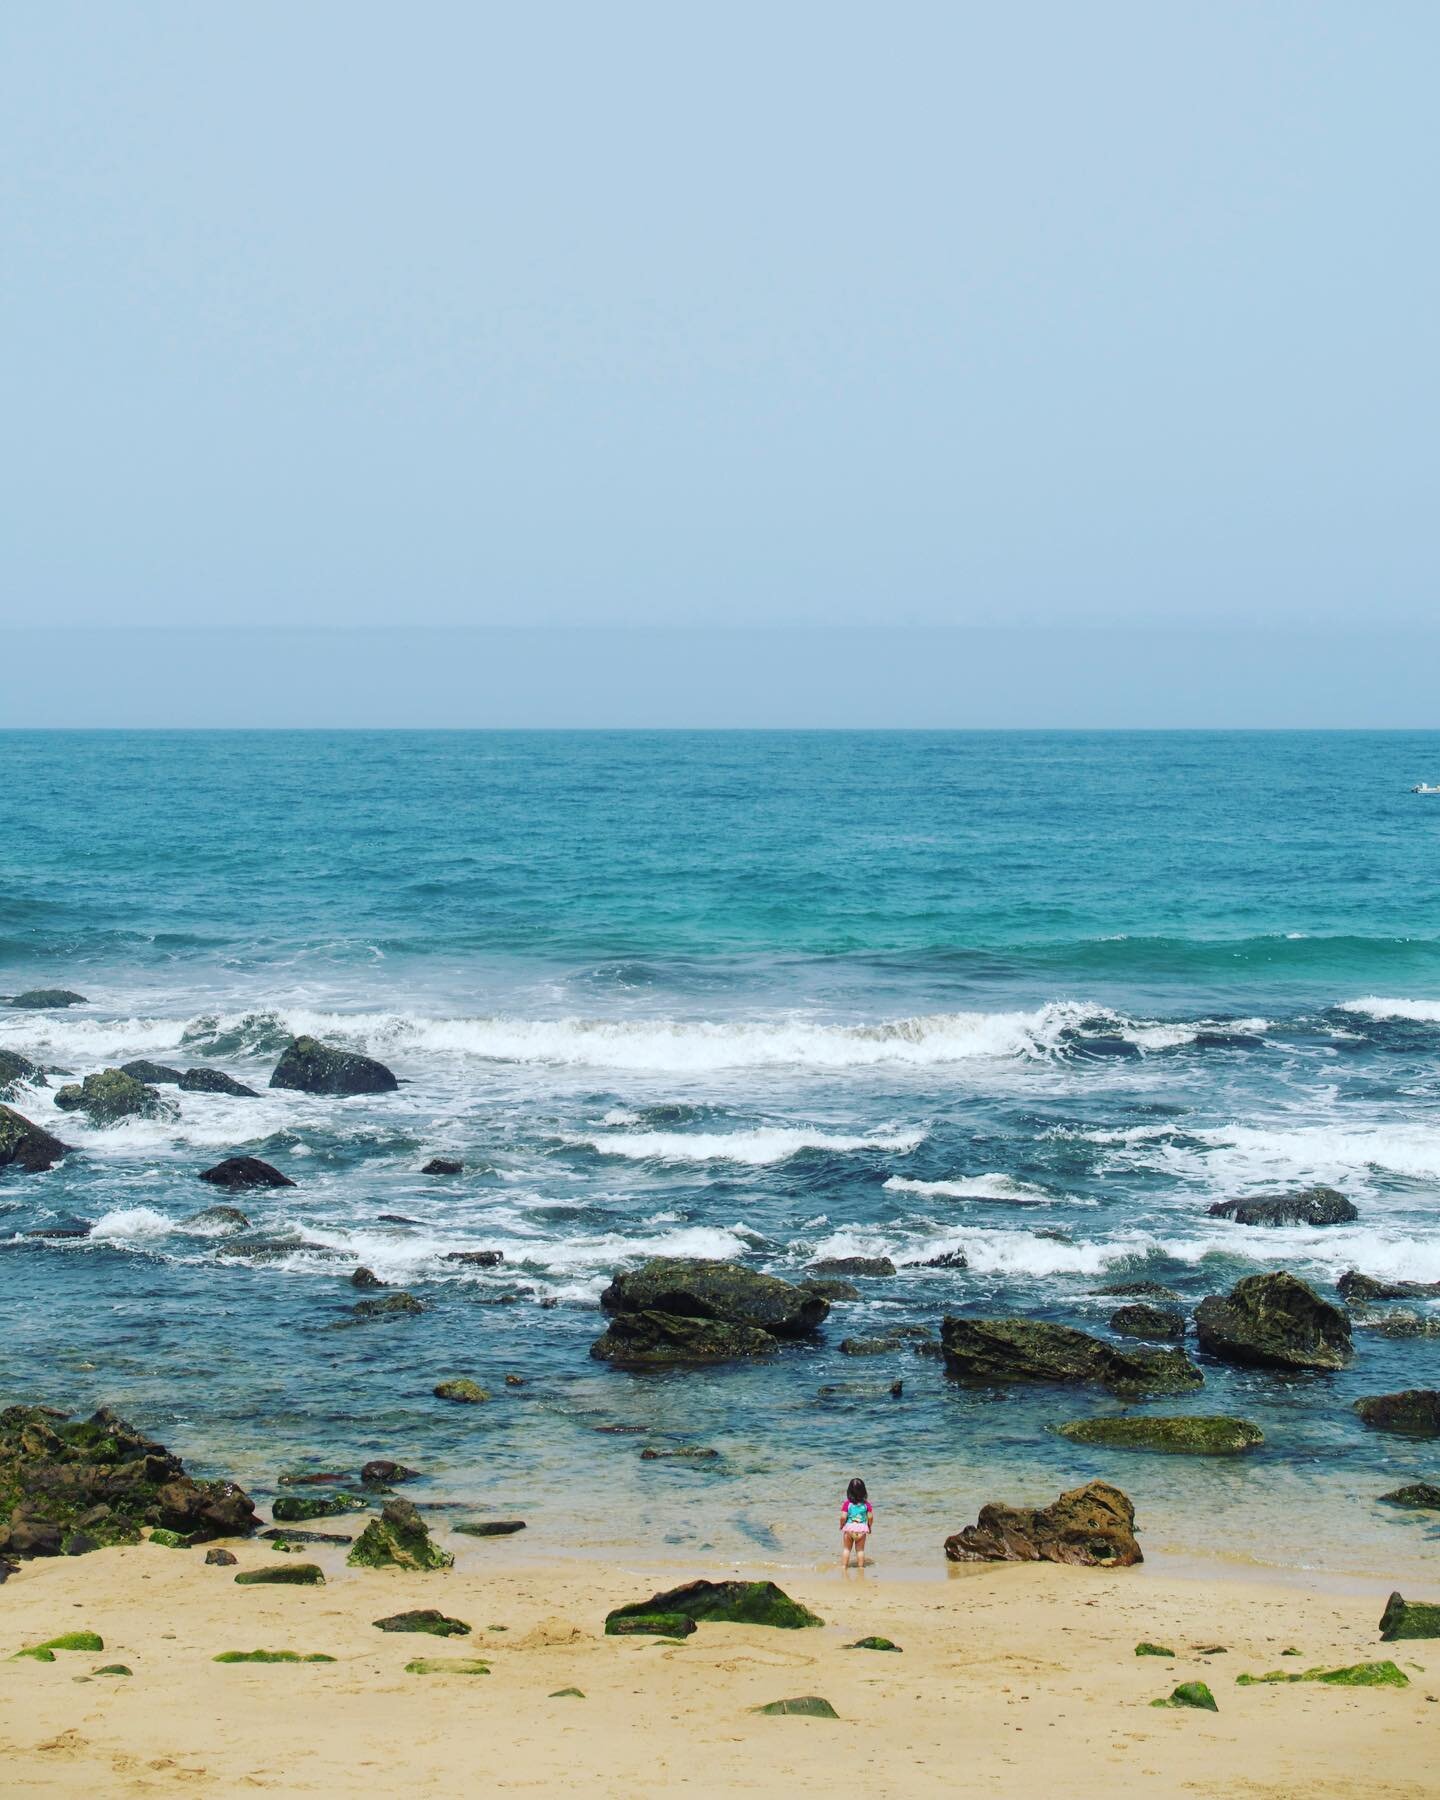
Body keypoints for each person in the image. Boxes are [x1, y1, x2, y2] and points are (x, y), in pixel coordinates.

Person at [839, 1476, 873, 1570]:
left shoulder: (847, 1504)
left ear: (849, 1491)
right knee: (860, 1550)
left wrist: (842, 1525)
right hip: (862, 1530)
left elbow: (843, 1517)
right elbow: (870, 1517)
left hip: (849, 1529)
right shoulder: (867, 1505)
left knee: (846, 1549)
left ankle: (844, 1566)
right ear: (864, 1491)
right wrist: (869, 1527)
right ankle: (861, 1567)